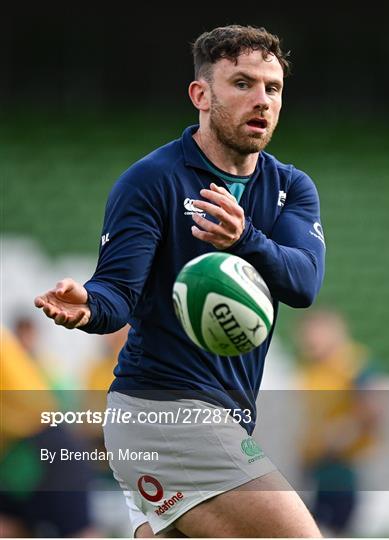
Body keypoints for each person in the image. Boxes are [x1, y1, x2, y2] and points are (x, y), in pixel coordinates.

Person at [34, 24, 326, 538]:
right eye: (242, 84)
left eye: (272, 88)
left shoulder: (290, 187)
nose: (261, 100)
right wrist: (86, 306)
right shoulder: (153, 180)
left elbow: (303, 283)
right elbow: (117, 295)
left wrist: (244, 239)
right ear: (201, 94)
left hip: (224, 415)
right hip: (164, 412)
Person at [0, 326, 100, 538]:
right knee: (8, 526)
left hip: (42, 442)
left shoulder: (47, 362)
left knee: (78, 531)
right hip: (17, 451)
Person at [294, 309, 383, 537]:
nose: (309, 339)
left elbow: (374, 410)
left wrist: (340, 434)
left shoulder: (353, 365)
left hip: (344, 470)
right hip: (317, 468)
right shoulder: (311, 370)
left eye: (315, 333)